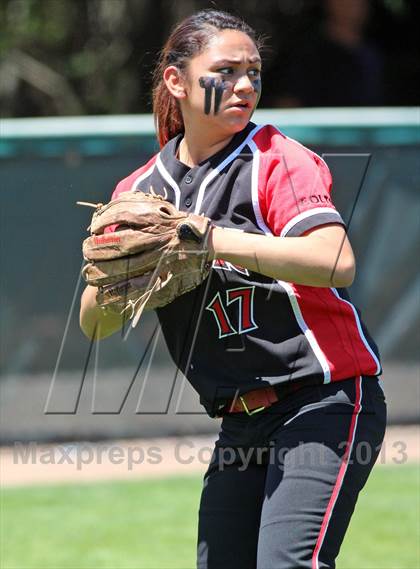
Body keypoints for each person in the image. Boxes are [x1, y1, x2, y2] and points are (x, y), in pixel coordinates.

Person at [79, 9, 386, 569]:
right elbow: (95, 324)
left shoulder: (276, 160)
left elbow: (336, 261)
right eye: (226, 70)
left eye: (254, 72)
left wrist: (210, 240)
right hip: (239, 419)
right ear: (177, 80)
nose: (245, 85)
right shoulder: (139, 192)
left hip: (322, 399)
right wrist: (120, 275)